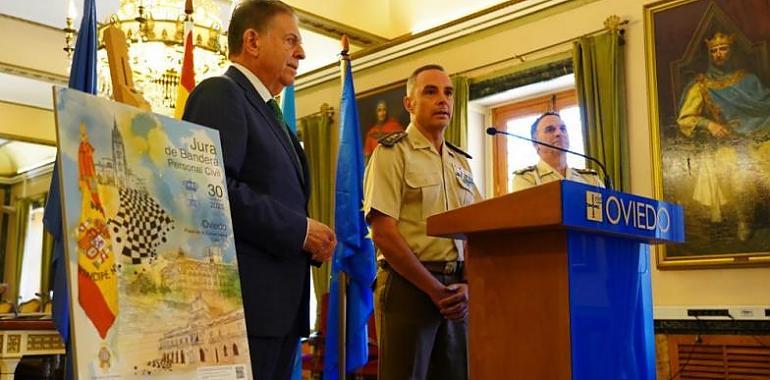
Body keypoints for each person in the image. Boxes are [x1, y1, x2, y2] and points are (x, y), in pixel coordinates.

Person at [182, 1, 336, 379]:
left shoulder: (269, 113)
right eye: (290, 40)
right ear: (252, 41)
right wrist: (299, 231)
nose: (301, 52)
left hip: (277, 312)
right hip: (239, 311)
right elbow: (210, 193)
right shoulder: (221, 93)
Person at [363, 64, 482, 380]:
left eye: (448, 92)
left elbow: (477, 231)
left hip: (456, 291)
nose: (442, 100)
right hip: (409, 286)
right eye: (430, 92)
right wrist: (434, 290)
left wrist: (468, 285)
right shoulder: (392, 153)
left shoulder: (461, 164)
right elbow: (383, 232)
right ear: (409, 104)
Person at [676, 31, 770, 241]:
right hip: (728, 143)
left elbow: (765, 107)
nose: (718, 54)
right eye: (714, 50)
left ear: (731, 50)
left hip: (760, 137)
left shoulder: (749, 80)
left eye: (723, 49)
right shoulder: (701, 85)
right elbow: (686, 118)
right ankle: (745, 220)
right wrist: (709, 124)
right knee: (739, 179)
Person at [511, 111, 603, 191]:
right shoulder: (526, 178)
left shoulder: (590, 179)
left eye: (563, 129)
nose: (559, 133)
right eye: (550, 130)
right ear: (535, 143)